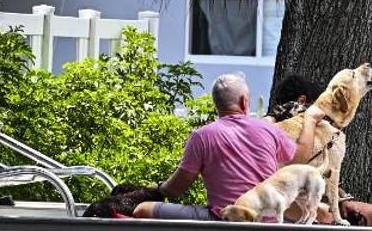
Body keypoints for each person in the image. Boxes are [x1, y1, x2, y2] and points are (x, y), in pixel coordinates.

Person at [134, 73, 324, 220]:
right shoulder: (268, 130)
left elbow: (176, 189)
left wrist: (158, 189)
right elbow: (300, 157)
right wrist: (310, 120)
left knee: (142, 209)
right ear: (244, 101)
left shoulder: (201, 136)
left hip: (222, 219)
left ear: (216, 103)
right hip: (267, 218)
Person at [262, 74, 372, 226]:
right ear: (302, 102)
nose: (322, 117)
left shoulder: (302, 129)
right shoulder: (278, 130)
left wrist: (342, 197)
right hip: (283, 200)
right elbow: (297, 163)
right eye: (317, 107)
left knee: (368, 211)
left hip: (306, 194)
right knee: (324, 216)